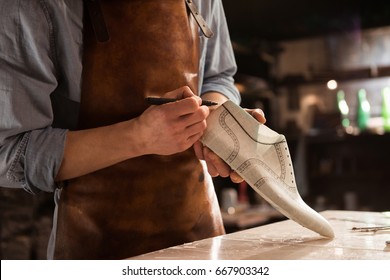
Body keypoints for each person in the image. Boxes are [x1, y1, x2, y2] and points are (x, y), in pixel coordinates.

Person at [0, 0, 265, 259]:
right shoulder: (32, 5)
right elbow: (11, 152)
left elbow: (218, 77)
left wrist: (217, 120)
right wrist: (139, 137)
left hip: (199, 230)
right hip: (96, 244)